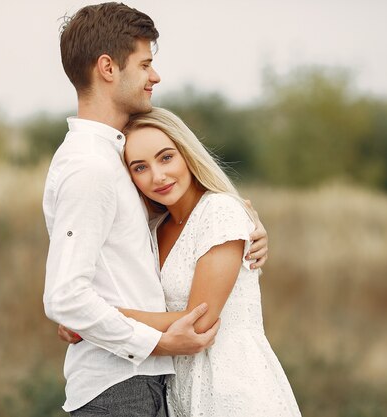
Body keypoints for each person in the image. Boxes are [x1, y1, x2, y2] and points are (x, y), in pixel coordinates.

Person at [42, 3, 269, 416]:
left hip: (143, 384)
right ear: (108, 68)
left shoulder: (114, 158)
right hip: (118, 389)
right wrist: (158, 343)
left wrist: (244, 221)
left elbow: (182, 223)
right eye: (145, 64)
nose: (155, 76)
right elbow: (65, 297)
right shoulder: (91, 167)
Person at [114, 107, 302, 417]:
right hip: (180, 391)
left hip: (235, 389)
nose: (157, 176)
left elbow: (199, 322)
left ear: (186, 153)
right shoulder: (153, 229)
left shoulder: (219, 211)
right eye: (140, 167)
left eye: (166, 157)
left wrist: (99, 319)